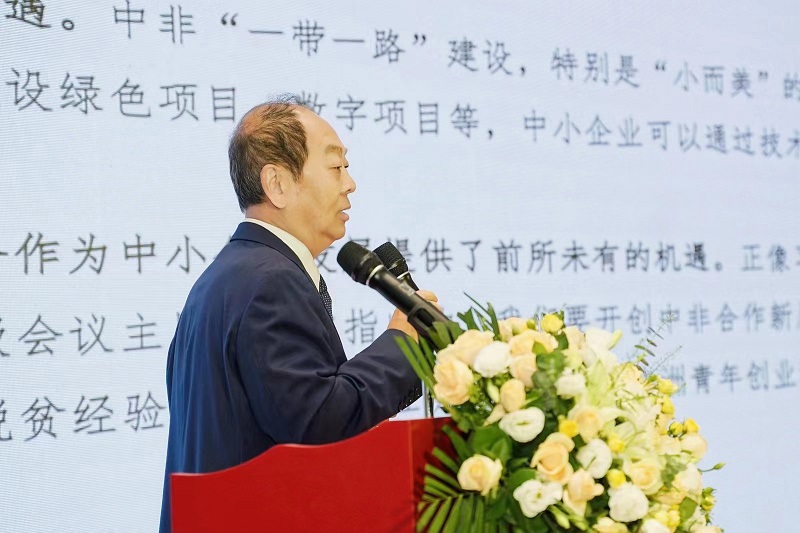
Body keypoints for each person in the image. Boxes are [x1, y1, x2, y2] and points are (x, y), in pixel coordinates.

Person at [159, 96, 432, 532]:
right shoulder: (270, 281)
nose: (350, 184)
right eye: (336, 167)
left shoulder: (224, 277)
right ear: (278, 184)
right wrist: (403, 342)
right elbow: (318, 422)